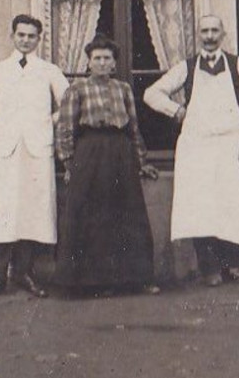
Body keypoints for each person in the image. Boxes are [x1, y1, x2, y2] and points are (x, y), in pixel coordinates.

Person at [144, 14, 239, 286]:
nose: (209, 36)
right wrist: (176, 110)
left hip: (230, 145)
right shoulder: (187, 67)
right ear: (198, 34)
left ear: (223, 34)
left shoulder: (236, 65)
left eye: (214, 31)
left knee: (232, 204)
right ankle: (209, 269)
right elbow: (151, 93)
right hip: (196, 147)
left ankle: (234, 265)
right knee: (201, 206)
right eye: (205, 31)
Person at [0, 14, 69, 303]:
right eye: (21, 35)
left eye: (31, 36)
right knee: (2, 212)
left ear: (39, 39)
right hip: (6, 152)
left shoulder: (48, 71)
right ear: (12, 36)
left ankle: (25, 274)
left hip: (37, 150)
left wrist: (46, 122)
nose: (26, 40)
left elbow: (70, 103)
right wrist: (3, 126)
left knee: (31, 213)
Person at [54, 34, 160, 296]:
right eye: (97, 59)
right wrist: (69, 163)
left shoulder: (122, 89)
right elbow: (66, 129)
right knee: (92, 216)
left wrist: (141, 160)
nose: (102, 63)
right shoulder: (76, 90)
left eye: (107, 59)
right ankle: (92, 284)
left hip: (121, 153)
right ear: (89, 63)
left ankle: (137, 279)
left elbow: (133, 127)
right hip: (90, 152)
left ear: (114, 64)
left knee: (128, 214)